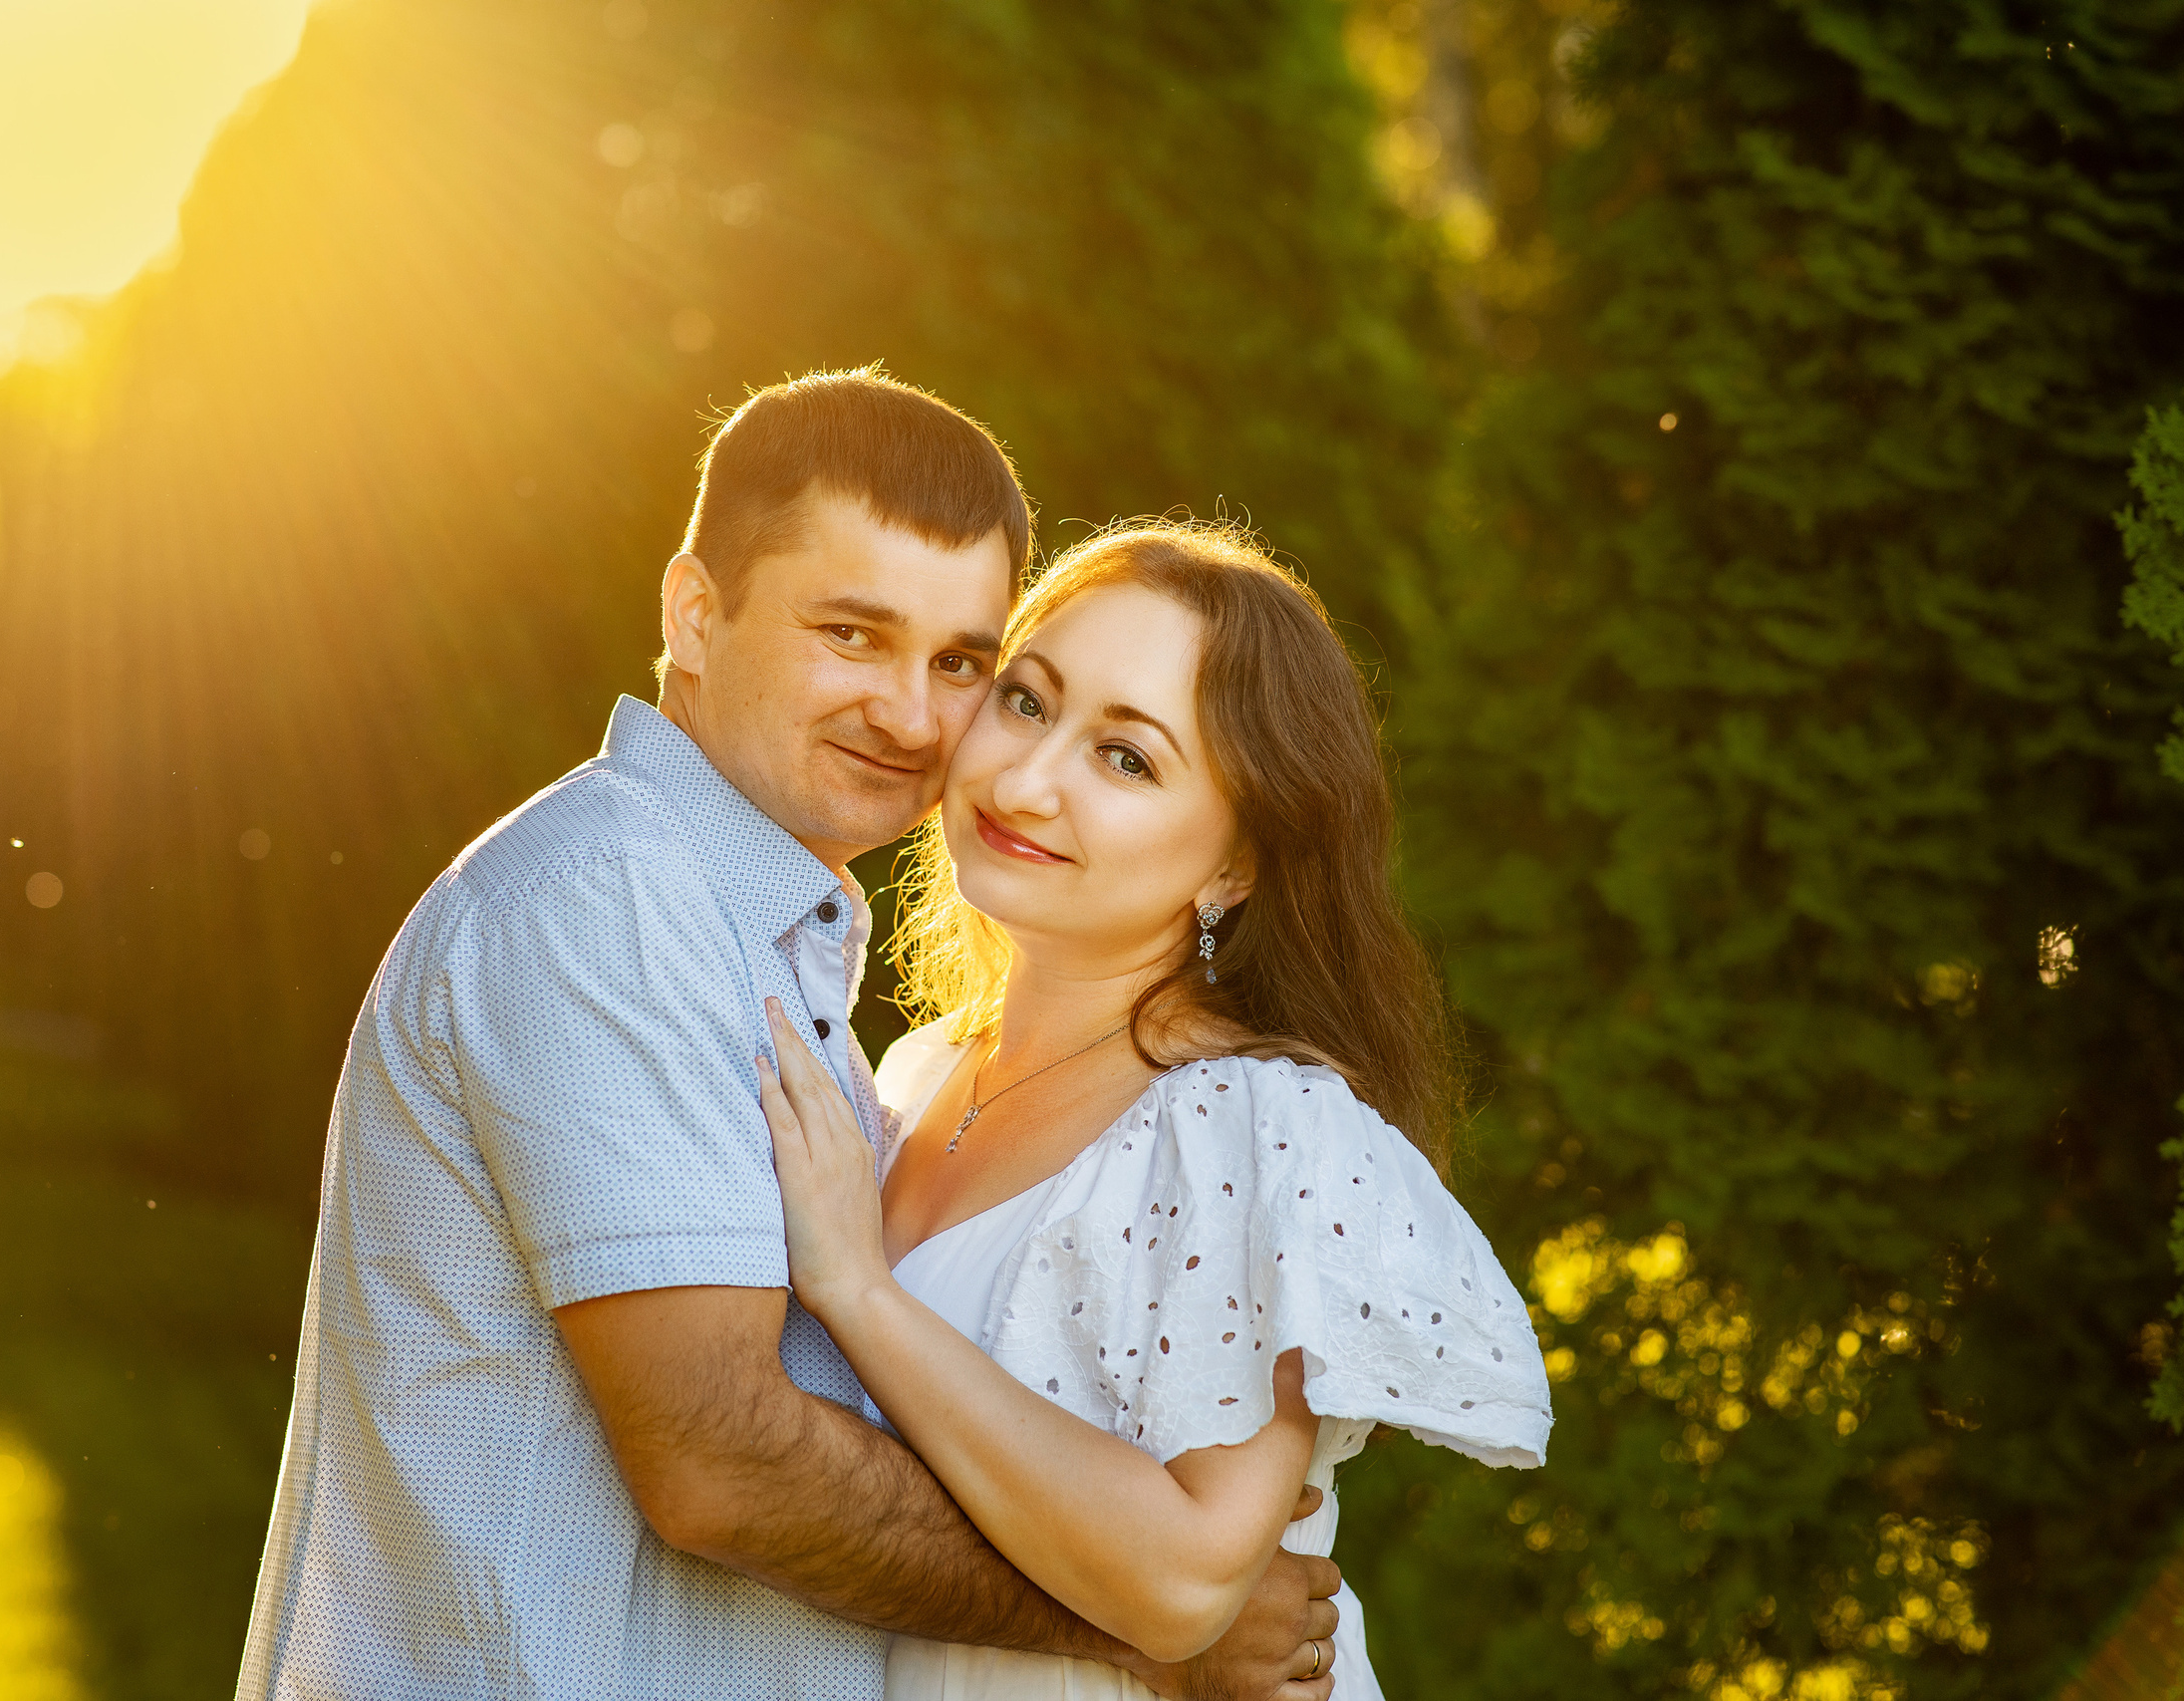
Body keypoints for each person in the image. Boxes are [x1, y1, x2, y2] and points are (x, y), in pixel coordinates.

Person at [234, 371, 1342, 1701]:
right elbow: (721, 1460)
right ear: (694, 614)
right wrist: (1153, 1617)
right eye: (853, 634)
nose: (914, 715)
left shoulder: (768, 941)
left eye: (961, 664)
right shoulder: (612, 905)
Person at [755, 521, 1554, 1699]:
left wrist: (860, 1294)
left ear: (1236, 865)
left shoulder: (1248, 1124)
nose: (1025, 780)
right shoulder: (914, 1074)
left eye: (1126, 759)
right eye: (1026, 702)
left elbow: (1184, 1583)